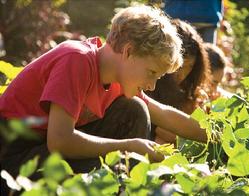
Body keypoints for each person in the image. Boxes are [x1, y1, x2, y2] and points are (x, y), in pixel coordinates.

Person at [0, 6, 208, 187]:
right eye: (152, 73)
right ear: (128, 52)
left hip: (40, 152)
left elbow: (163, 114)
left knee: (135, 109)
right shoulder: (77, 60)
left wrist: (216, 136)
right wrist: (128, 147)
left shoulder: (116, 76)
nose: (152, 86)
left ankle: (125, 182)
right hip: (13, 160)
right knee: (110, 166)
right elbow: (60, 141)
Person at [149, 24, 229, 144]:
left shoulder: (190, 89)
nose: (181, 74)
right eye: (180, 67)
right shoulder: (151, 83)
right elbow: (163, 128)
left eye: (189, 66)